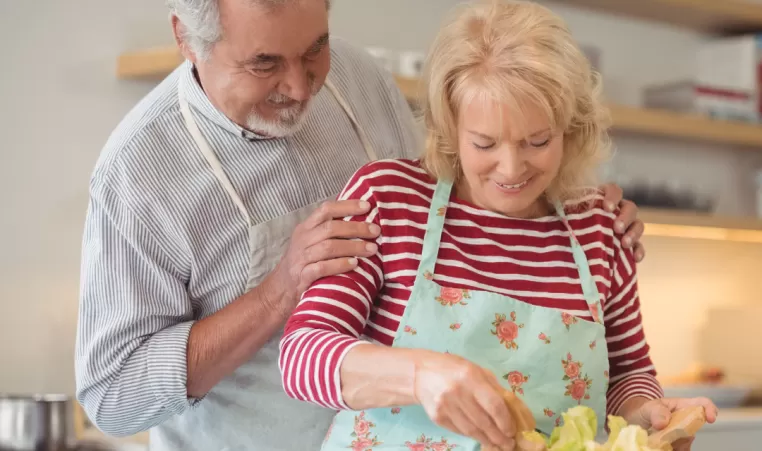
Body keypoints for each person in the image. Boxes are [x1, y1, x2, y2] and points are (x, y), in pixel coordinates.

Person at [75, 0, 646, 450]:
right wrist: (280, 290)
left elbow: (461, 193)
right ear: (186, 40)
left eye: (314, 48)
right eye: (265, 64)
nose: (301, 87)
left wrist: (575, 201)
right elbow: (114, 396)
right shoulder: (137, 173)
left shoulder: (358, 78)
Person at [278, 1, 718, 450]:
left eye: (537, 141)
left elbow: (628, 374)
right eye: (484, 143)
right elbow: (301, 358)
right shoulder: (391, 199)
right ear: (451, 126)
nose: (510, 169)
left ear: (570, 128)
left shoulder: (600, 230)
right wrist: (421, 375)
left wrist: (647, 414)